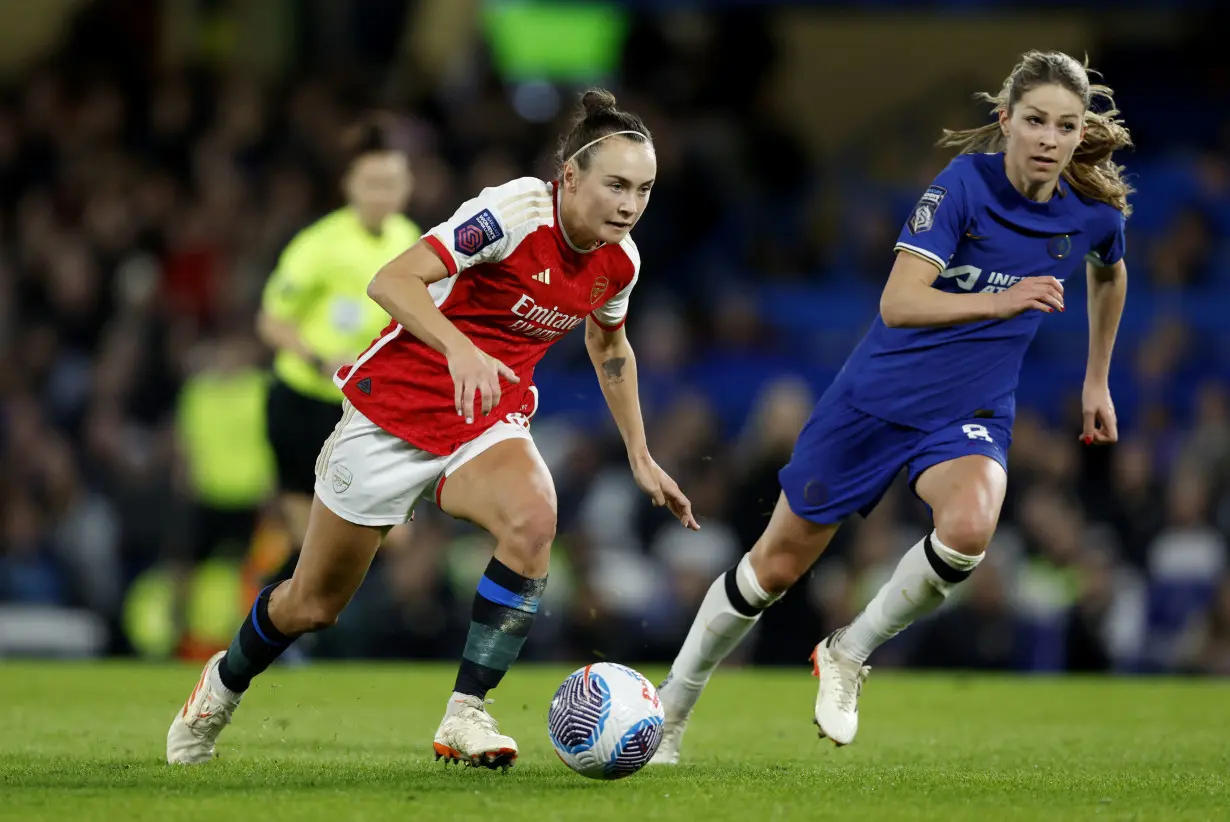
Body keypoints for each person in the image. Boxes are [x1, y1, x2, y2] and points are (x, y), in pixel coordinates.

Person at [167, 89, 698, 769]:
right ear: (570, 177)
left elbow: (610, 346)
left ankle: (467, 713)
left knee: (534, 520)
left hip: (485, 419)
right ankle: (220, 686)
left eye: (645, 189)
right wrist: (461, 348)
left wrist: (640, 452)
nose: (630, 204)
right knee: (312, 604)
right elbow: (392, 282)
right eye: (616, 184)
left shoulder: (619, 262)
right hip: (394, 414)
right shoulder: (510, 212)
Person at [649, 50, 1133, 762]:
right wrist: (1005, 297)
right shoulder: (963, 184)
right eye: (1034, 120)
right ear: (1005, 122)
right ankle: (670, 714)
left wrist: (1098, 379)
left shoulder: (1091, 215)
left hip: (969, 410)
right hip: (873, 403)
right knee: (772, 571)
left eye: (1064, 125)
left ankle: (848, 652)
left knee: (970, 528)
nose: (1048, 138)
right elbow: (898, 303)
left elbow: (1111, 274)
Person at [256, 113, 419, 580]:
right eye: (372, 183)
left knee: (383, 539)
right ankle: (274, 629)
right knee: (316, 546)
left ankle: (273, 621)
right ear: (349, 184)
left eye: (392, 183)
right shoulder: (320, 244)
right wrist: (317, 357)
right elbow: (270, 320)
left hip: (364, 411)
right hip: (303, 404)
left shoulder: (410, 241)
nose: (382, 194)